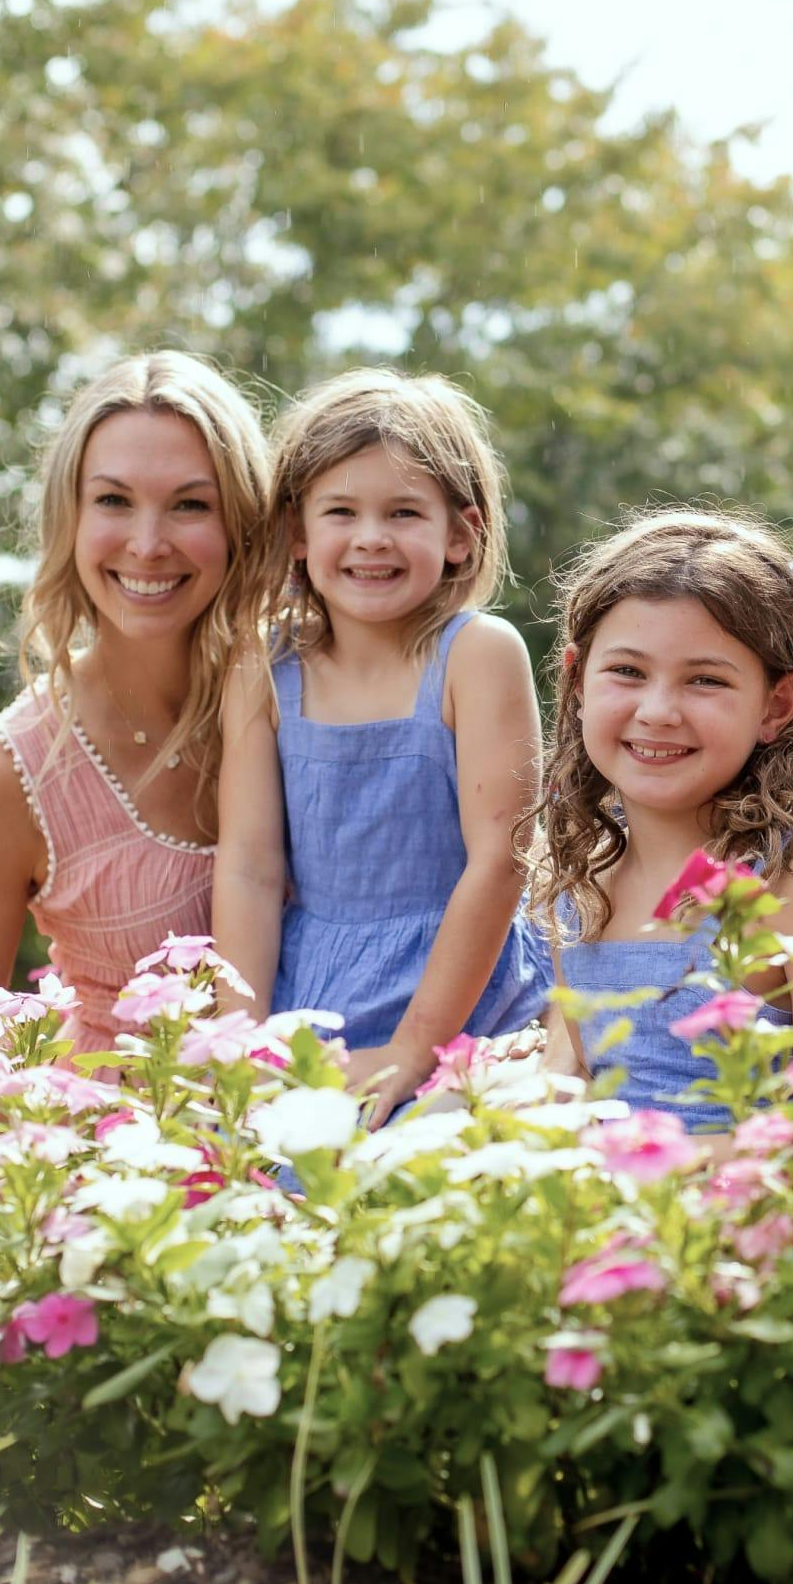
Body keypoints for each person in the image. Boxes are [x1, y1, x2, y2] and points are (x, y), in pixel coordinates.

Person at [0, 353, 278, 1063]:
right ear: (68, 516)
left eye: (191, 504)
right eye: (113, 501)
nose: (148, 543)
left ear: (244, 523)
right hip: (123, 1161)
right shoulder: (4, 778)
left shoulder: (319, 694)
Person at [214, 370, 547, 1129]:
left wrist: (414, 1047)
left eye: (404, 512)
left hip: (458, 1000)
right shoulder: (263, 669)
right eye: (341, 512)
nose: (371, 538)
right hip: (313, 993)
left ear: (459, 534)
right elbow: (250, 867)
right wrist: (242, 1044)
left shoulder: (477, 655)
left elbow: (501, 860)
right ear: (299, 533)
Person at [527, 511, 793, 1131]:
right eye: (627, 672)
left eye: (704, 680)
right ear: (578, 682)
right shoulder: (580, 880)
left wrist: (643, 1171)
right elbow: (586, 1082)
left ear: (776, 706)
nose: (658, 710)